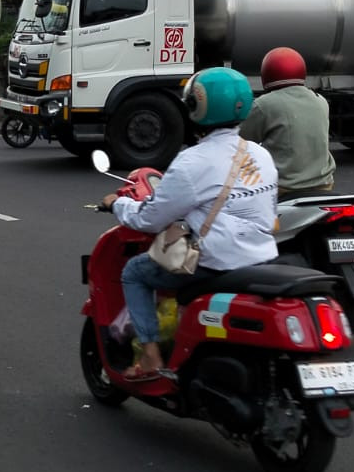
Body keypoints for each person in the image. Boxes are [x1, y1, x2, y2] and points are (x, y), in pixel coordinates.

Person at [103, 67, 279, 380]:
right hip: (263, 259)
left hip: (215, 264)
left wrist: (118, 204)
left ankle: (150, 355)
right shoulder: (261, 154)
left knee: (134, 272)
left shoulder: (192, 161)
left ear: (196, 107)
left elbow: (149, 218)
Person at [239, 46, 335, 199]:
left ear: (267, 73)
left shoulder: (265, 104)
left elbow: (240, 141)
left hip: (284, 189)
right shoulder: (321, 101)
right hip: (324, 185)